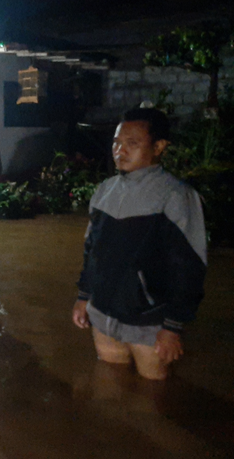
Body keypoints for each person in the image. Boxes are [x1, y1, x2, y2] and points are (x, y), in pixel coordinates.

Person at [72, 107, 207, 380]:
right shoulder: (103, 191)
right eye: (116, 143)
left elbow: (190, 267)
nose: (120, 151)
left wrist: (172, 326)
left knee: (153, 397)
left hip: (149, 323)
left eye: (132, 144)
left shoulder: (177, 196)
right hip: (103, 313)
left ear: (159, 146)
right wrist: (84, 297)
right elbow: (91, 251)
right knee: (109, 391)